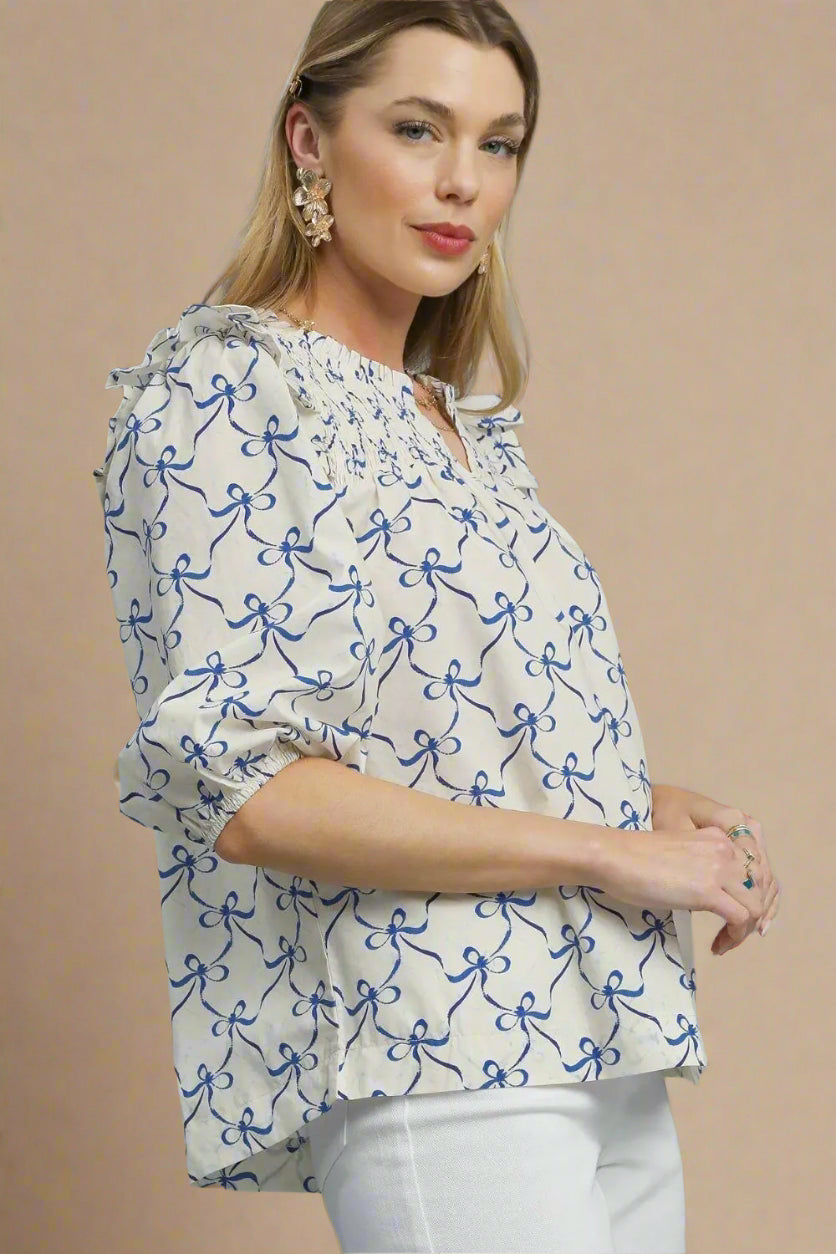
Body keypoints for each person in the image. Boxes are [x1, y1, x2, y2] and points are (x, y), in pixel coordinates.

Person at [92, 3, 776, 1250]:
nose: (463, 180)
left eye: (499, 144)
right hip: (436, 1051)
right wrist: (604, 854)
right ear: (310, 140)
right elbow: (247, 792)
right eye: (418, 129)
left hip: (594, 1038)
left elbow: (438, 740)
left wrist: (646, 810)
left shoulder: (451, 426)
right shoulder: (226, 393)